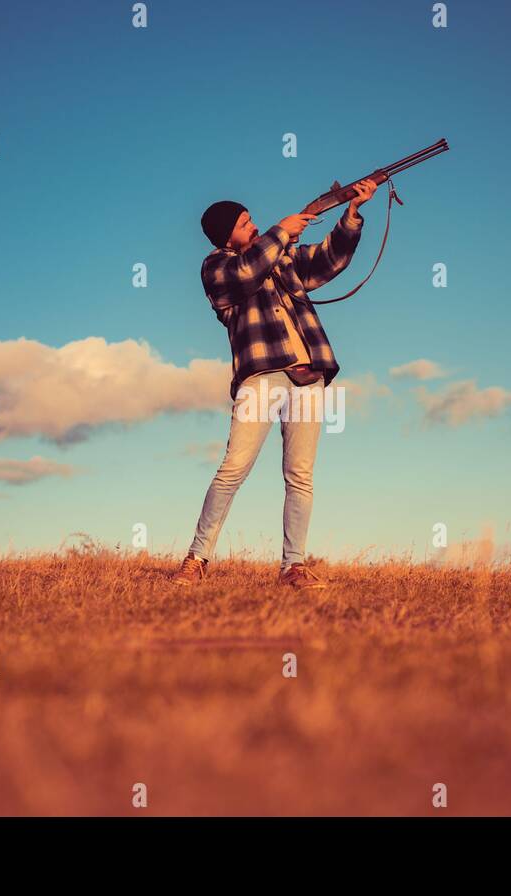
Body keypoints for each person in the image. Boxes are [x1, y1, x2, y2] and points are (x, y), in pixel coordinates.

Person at [172, 179, 377, 590]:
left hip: (308, 377)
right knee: (233, 470)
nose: (253, 225)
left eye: (251, 220)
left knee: (300, 476)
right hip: (261, 378)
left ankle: (293, 567)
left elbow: (328, 261)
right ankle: (196, 559)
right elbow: (248, 271)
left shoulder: (279, 257)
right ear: (224, 235)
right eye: (244, 222)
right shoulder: (217, 268)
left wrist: (350, 214)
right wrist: (283, 230)